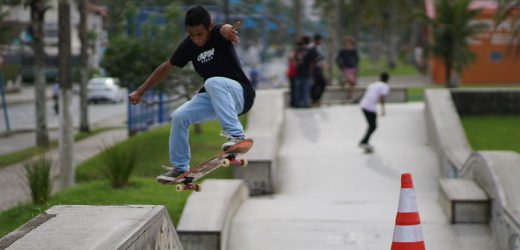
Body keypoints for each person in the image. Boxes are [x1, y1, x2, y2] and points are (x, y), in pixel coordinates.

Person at [128, 5, 255, 182]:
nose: (196, 39)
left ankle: (236, 136)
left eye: (200, 34)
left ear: (209, 27)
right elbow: (167, 67)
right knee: (179, 117)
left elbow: (224, 28)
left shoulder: (218, 33)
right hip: (215, 97)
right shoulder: (189, 45)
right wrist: (140, 91)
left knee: (212, 81)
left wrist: (227, 29)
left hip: (241, 94)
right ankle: (180, 167)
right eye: (191, 35)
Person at [359, 72, 390, 150]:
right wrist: (383, 109)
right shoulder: (385, 86)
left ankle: (364, 141)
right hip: (370, 107)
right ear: (387, 79)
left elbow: (366, 93)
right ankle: (364, 141)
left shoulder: (374, 84)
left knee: (372, 126)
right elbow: (382, 97)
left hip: (363, 105)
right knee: (373, 126)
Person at [336, 36, 359, 101]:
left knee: (351, 83)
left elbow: (357, 58)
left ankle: (349, 95)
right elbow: (338, 59)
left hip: (352, 67)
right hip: (345, 67)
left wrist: (355, 64)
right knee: (352, 81)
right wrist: (341, 66)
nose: (348, 43)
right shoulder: (342, 50)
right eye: (347, 42)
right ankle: (343, 82)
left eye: (349, 42)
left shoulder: (354, 50)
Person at [308, 33, 327, 107]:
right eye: (321, 40)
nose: (322, 41)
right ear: (318, 40)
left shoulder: (319, 47)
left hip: (319, 68)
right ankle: (314, 99)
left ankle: (316, 99)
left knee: (322, 83)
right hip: (314, 69)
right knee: (315, 84)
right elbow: (312, 59)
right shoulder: (311, 47)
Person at [294, 35, 312, 108]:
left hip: (299, 71)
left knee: (298, 88)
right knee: (305, 88)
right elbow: (312, 62)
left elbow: (294, 60)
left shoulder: (298, 50)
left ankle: (298, 103)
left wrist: (297, 64)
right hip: (305, 72)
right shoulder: (309, 50)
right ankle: (305, 102)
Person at [286, 40, 299, 107]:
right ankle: (293, 102)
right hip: (292, 74)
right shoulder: (293, 54)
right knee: (294, 89)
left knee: (293, 88)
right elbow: (294, 64)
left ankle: (293, 102)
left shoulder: (292, 54)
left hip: (291, 74)